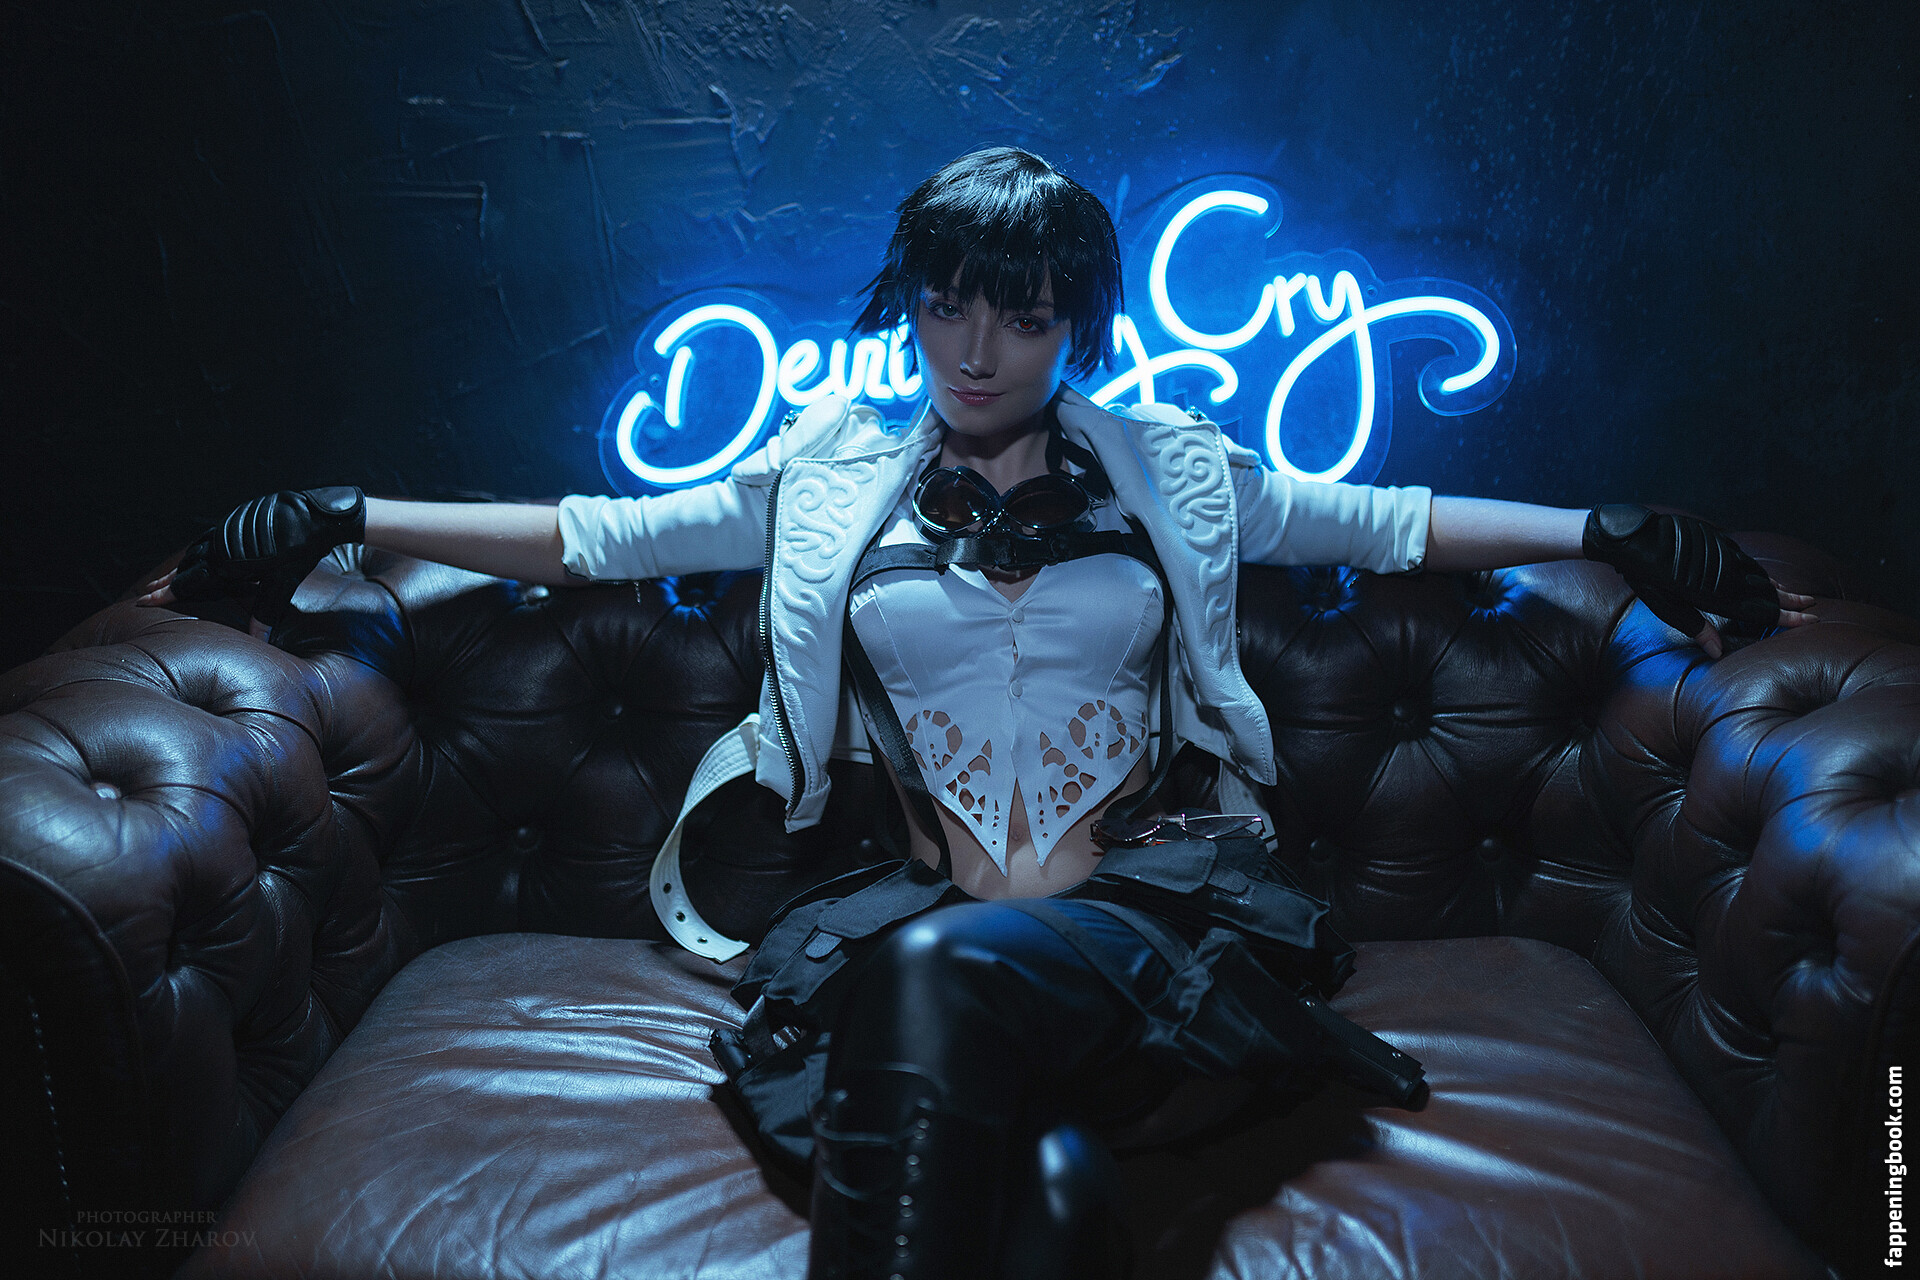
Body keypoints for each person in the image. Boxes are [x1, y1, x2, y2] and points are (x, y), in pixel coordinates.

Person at [137, 146, 1816, 1279]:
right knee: (1056, 1193)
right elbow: (595, 536)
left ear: (1077, 320)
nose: (978, 346)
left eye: (1022, 312)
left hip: (1146, 923)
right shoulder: (829, 478)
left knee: (949, 995)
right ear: (911, 300)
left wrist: (1611, 530)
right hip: (922, 919)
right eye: (948, 301)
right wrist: (345, 515)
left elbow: (1388, 521)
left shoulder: (1170, 468)